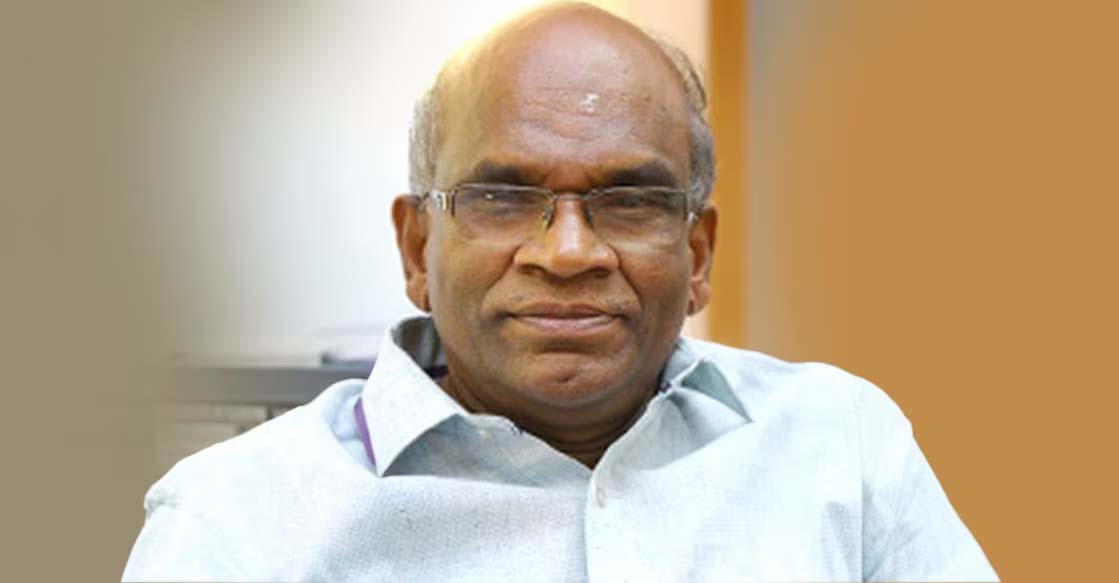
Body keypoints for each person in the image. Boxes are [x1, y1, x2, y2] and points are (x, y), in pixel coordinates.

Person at [123, 3, 998, 581]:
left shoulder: (842, 447)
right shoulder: (238, 521)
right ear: (418, 247)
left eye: (630, 200)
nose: (570, 252)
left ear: (696, 254)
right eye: (502, 197)